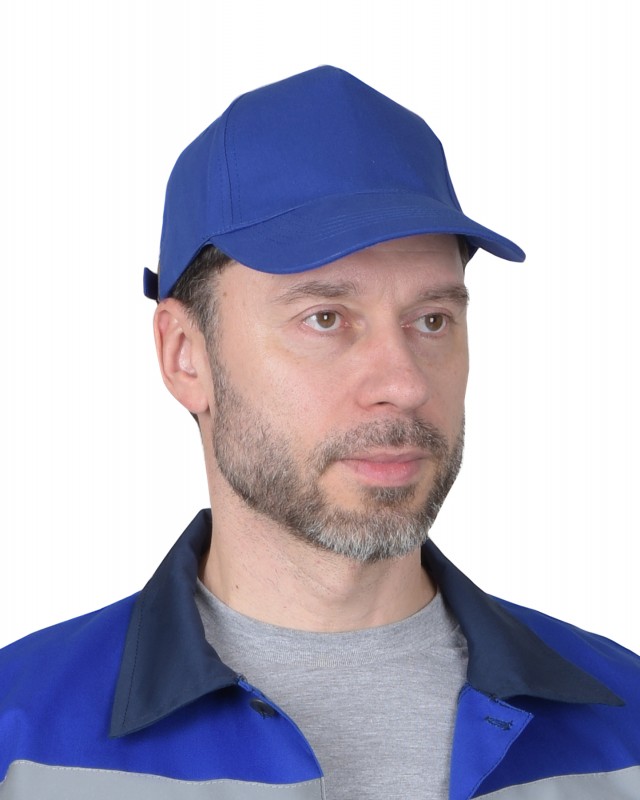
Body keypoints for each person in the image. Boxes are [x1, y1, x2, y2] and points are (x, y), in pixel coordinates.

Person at [1, 65, 639, 800]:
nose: (404, 383)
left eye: (432, 320)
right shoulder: (18, 741)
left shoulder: (624, 726)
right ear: (185, 356)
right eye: (326, 318)